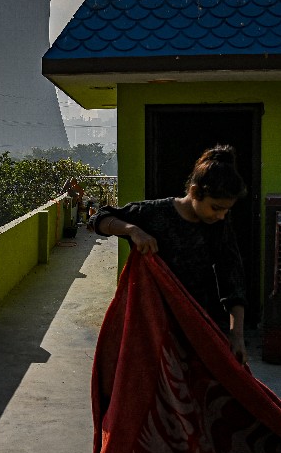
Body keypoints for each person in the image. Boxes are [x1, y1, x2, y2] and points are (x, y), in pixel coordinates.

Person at [88, 144, 249, 365]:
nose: (220, 216)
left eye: (225, 210)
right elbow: (99, 219)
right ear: (194, 192)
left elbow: (232, 279)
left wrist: (236, 335)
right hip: (151, 327)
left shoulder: (219, 226)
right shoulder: (154, 213)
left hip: (195, 326)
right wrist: (133, 230)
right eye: (215, 208)